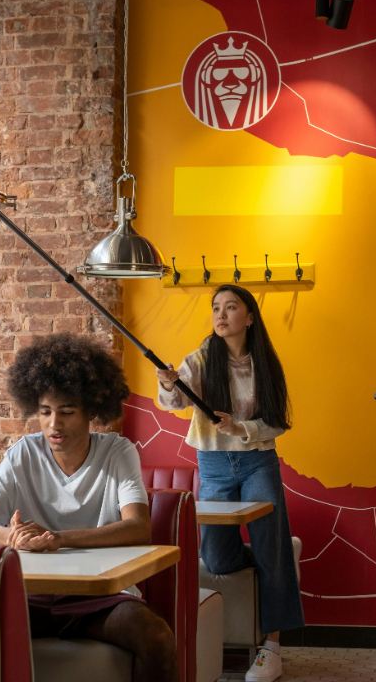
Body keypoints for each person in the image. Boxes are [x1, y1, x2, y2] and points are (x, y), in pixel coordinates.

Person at [0, 333, 176, 682]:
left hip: (99, 596)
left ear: (91, 411)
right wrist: (11, 538)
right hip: (29, 594)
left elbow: (138, 527)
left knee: (157, 637)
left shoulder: (117, 453)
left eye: (67, 412)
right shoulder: (23, 454)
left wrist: (58, 538)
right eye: (45, 412)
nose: (54, 424)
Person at [156, 284, 303, 682]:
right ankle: (279, 558)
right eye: (215, 307)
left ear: (249, 317)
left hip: (258, 461)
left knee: (269, 545)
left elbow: (277, 422)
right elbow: (174, 403)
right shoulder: (201, 359)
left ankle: (271, 648)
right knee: (217, 556)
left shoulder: (266, 364)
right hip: (214, 463)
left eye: (231, 307)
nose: (220, 314)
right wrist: (168, 383)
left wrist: (241, 427)